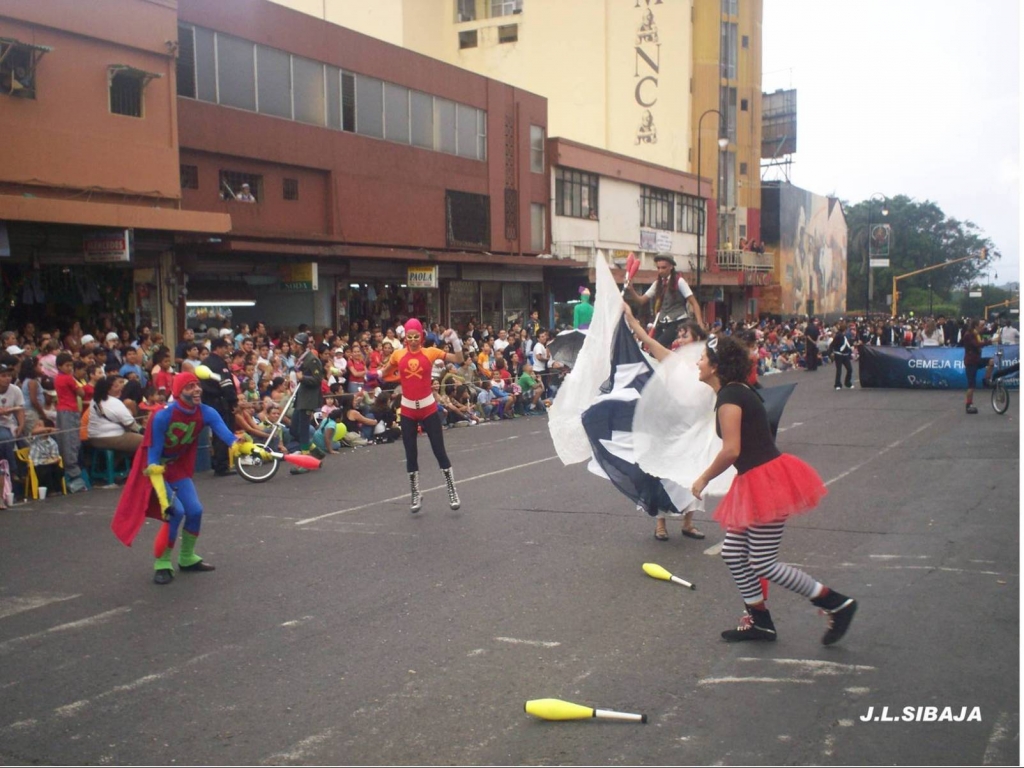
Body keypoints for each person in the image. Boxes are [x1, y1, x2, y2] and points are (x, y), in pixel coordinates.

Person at [690, 334, 857, 644]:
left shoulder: (730, 397)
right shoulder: (734, 391)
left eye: (701, 358)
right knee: (732, 552)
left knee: (763, 562)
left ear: (715, 366)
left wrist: (703, 478)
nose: (696, 363)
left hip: (764, 480)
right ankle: (760, 621)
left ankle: (835, 602)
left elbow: (731, 450)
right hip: (756, 479)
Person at [111, 373, 261, 585]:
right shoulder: (162, 416)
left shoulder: (206, 412)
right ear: (179, 392)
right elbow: (152, 456)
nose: (197, 389)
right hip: (156, 468)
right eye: (190, 387)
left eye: (197, 385)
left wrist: (247, 447)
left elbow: (228, 437)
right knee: (175, 511)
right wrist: (163, 498)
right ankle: (162, 563)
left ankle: (187, 557)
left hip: (177, 467)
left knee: (195, 510)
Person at [622, 305, 707, 541]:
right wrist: (630, 317)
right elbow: (646, 339)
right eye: (679, 335)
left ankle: (688, 523)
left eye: (685, 334)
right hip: (667, 424)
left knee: (693, 473)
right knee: (661, 473)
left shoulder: (708, 362)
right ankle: (660, 525)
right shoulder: (672, 359)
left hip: (694, 426)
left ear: (698, 338)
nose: (679, 339)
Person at [380, 319, 464, 513]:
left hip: (428, 407)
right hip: (408, 409)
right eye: (409, 337)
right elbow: (384, 374)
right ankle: (415, 492)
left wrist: (455, 340)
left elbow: (458, 359)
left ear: (422, 336)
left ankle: (452, 489)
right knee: (411, 453)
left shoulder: (430, 352)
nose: (413, 340)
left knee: (439, 451)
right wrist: (389, 376)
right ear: (405, 337)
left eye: (416, 336)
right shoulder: (397, 354)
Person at [626, 254, 704, 347]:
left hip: (678, 321)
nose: (660, 271)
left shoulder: (679, 281)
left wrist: (700, 324)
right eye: (658, 268)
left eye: (663, 268)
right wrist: (631, 290)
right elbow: (641, 300)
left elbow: (694, 303)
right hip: (662, 321)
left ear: (671, 267)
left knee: (658, 346)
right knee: (650, 346)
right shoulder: (657, 283)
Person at [199, 337, 238, 476]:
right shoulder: (219, 364)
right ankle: (222, 465)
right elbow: (226, 385)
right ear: (218, 348)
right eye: (225, 348)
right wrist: (233, 401)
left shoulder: (204, 363)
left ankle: (217, 462)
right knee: (223, 431)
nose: (227, 351)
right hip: (221, 403)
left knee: (216, 433)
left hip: (208, 402)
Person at [289, 332, 324, 471]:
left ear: (301, 346)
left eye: (295, 345)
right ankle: (314, 450)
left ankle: (305, 462)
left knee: (303, 430)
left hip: (308, 399)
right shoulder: (300, 358)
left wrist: (302, 378)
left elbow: (317, 380)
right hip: (300, 397)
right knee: (294, 429)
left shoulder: (312, 359)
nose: (292, 347)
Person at [87, 375, 143, 455]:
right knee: (148, 441)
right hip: (110, 437)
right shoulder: (113, 402)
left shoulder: (94, 400)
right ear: (107, 390)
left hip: (94, 438)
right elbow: (132, 425)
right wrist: (144, 430)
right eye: (116, 386)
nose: (121, 388)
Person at [0, 364, 25, 479]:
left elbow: (20, 409)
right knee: (6, 438)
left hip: (10, 423)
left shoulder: (15, 389)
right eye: (3, 375)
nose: (7, 378)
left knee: (24, 441)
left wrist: (21, 425)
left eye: (9, 375)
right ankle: (13, 470)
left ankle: (26, 473)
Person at [962, 318, 987, 415]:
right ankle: (968, 404)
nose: (983, 328)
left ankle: (986, 380)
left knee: (991, 361)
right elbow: (977, 345)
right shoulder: (969, 335)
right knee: (971, 385)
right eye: (981, 325)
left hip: (977, 359)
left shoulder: (976, 334)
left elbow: (989, 331)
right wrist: (990, 341)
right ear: (975, 326)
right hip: (971, 361)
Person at [829, 323, 854, 390]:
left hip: (844, 355)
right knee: (840, 370)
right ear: (845, 330)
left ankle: (846, 383)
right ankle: (838, 384)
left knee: (848, 369)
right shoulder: (838, 336)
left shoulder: (845, 336)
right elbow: (832, 344)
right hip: (839, 354)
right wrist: (831, 352)